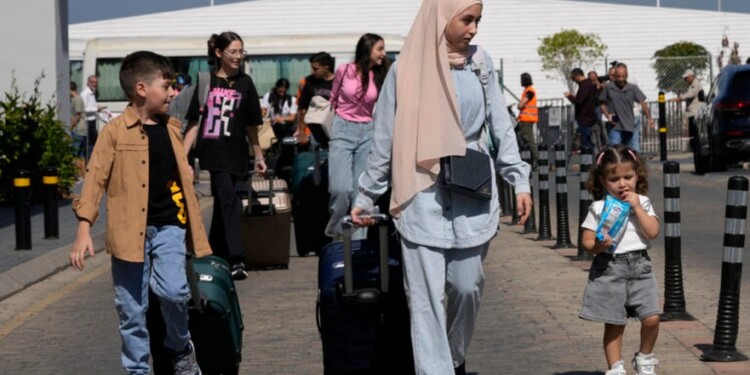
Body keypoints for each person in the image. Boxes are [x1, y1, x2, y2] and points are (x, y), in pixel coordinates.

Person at [350, 1, 532, 373]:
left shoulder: (481, 64)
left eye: (478, 20)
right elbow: (384, 139)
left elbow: (499, 124)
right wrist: (366, 195)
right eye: (467, 19)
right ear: (442, 17)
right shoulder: (405, 71)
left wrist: (519, 178)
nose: (474, 29)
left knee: (468, 287)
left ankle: (449, 358)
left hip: (472, 193)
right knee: (426, 302)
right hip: (422, 196)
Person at [69, 50, 212, 375]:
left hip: (169, 226)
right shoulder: (115, 132)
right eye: (167, 86)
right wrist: (82, 230)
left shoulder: (172, 128)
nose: (173, 92)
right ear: (142, 89)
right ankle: (137, 369)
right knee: (131, 309)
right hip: (126, 233)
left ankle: (180, 348)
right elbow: (94, 179)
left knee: (175, 291)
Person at [183, 31, 267, 280]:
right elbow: (194, 124)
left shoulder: (246, 83)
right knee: (229, 199)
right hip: (213, 153)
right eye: (233, 52)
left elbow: (252, 124)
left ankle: (212, 253)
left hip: (237, 153)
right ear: (219, 53)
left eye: (241, 52)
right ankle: (237, 258)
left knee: (223, 204)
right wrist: (181, 157)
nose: (238, 57)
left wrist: (258, 155)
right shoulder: (206, 82)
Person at [579, 145, 661, 375]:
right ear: (603, 181)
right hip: (610, 267)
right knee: (614, 322)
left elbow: (653, 231)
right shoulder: (599, 208)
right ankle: (615, 368)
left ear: (637, 176)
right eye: (614, 179)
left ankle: (645, 357)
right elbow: (586, 240)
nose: (623, 183)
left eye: (628, 177)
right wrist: (597, 245)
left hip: (640, 266)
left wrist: (637, 208)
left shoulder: (642, 203)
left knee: (652, 317)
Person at [325, 33, 391, 241]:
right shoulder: (344, 71)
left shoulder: (382, 74)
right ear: (368, 49)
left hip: (367, 132)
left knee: (360, 192)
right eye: (380, 49)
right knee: (340, 189)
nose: (384, 53)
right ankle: (336, 231)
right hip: (342, 130)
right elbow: (333, 99)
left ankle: (357, 244)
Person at [599, 65, 654, 152]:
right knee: (615, 150)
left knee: (633, 150)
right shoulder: (609, 88)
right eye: (618, 77)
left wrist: (649, 118)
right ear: (614, 76)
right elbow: (601, 103)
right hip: (615, 124)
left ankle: (635, 165)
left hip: (629, 124)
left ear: (626, 76)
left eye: (623, 77)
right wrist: (607, 114)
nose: (620, 79)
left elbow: (643, 103)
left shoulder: (632, 88)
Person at [296, 52, 336, 146]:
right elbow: (303, 108)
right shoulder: (309, 81)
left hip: (335, 130)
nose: (312, 71)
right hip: (316, 132)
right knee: (318, 157)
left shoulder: (338, 81)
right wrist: (302, 132)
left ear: (327, 67)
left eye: (315, 69)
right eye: (311, 68)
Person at [669, 69, 704, 155]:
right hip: (691, 114)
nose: (685, 80)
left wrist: (678, 99)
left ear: (692, 76)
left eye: (687, 78)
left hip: (695, 113)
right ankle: (696, 150)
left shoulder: (695, 83)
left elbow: (690, 94)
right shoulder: (692, 84)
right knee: (692, 136)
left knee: (695, 135)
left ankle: (697, 151)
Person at [565, 68, 598, 151]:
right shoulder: (590, 85)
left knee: (586, 143)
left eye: (573, 78)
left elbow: (579, 101)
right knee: (589, 140)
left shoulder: (585, 85)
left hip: (585, 118)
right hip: (590, 116)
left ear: (577, 76)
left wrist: (569, 96)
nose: (574, 81)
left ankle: (587, 162)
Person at [516, 72, 539, 170]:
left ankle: (536, 160)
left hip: (527, 120)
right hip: (523, 120)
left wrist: (519, 105)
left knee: (529, 141)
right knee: (521, 140)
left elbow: (521, 105)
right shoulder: (527, 90)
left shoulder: (530, 91)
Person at [80, 75, 106, 154]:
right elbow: (83, 109)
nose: (95, 84)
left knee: (94, 142)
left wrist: (97, 108)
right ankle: (89, 160)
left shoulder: (92, 93)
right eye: (93, 82)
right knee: (90, 143)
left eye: (96, 82)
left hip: (92, 120)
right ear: (88, 83)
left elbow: (91, 106)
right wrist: (96, 109)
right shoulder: (85, 94)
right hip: (87, 121)